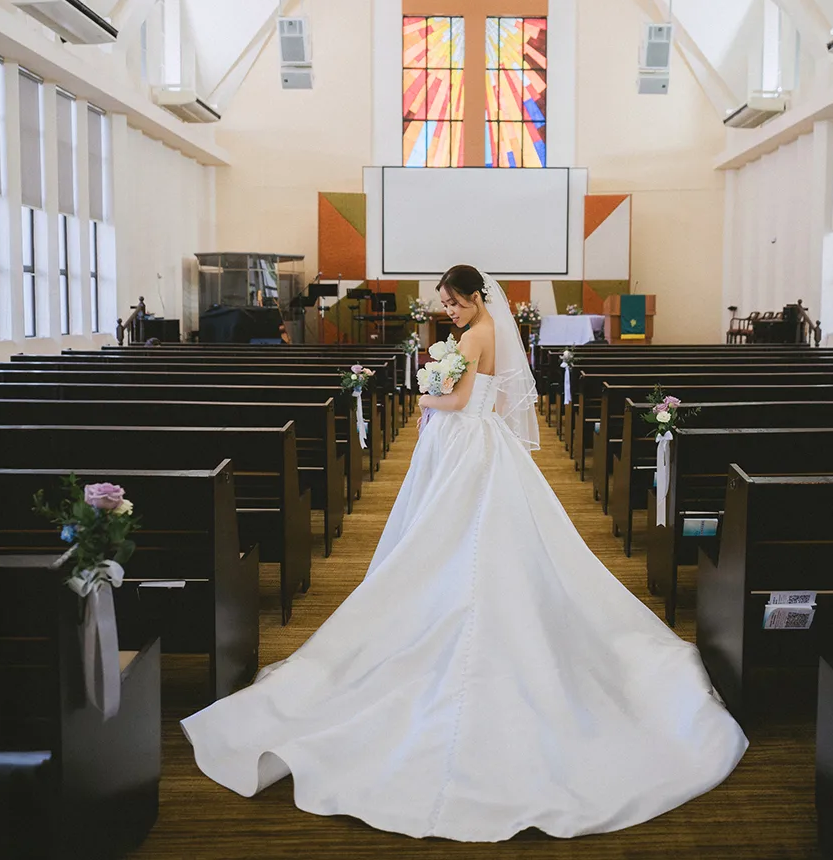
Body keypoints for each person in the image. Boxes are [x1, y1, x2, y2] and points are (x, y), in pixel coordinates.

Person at [181, 265, 747, 841]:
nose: (448, 310)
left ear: (478, 297)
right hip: (481, 440)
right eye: (445, 303)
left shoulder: (475, 336)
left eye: (455, 301)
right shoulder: (487, 331)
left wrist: (423, 394)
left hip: (464, 443)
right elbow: (490, 402)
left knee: (455, 534)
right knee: (468, 533)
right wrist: (441, 392)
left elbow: (459, 400)